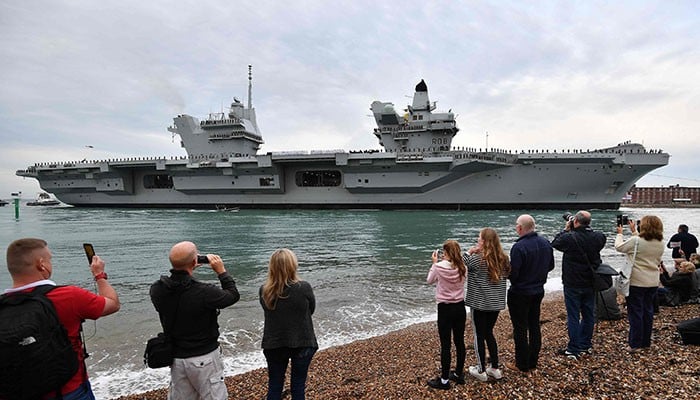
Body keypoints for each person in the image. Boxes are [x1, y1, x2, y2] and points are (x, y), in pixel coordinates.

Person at [3, 238, 120, 399]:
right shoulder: (67, 296)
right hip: (70, 391)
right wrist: (99, 275)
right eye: (50, 259)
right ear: (41, 264)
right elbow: (112, 304)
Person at [150, 241, 240, 400]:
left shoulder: (157, 289)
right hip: (204, 357)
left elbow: (179, 290)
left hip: (177, 358)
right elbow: (232, 295)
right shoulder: (204, 292)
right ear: (194, 261)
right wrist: (221, 272)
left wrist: (187, 270)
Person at [260, 249, 318, 400]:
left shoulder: (264, 290)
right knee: (298, 386)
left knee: (275, 385)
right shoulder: (303, 287)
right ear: (293, 266)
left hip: (274, 344)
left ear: (271, 267)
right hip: (302, 341)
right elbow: (311, 309)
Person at [551, 210, 606, 360]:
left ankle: (573, 349)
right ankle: (585, 344)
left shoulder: (570, 238)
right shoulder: (599, 237)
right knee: (589, 314)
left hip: (573, 282)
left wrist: (566, 229)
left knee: (573, 315)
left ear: (575, 222)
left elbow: (555, 242)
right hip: (590, 281)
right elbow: (596, 241)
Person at [506, 215, 554, 373]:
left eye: (516, 226)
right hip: (538, 289)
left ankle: (521, 364)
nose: (515, 228)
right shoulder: (546, 243)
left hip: (520, 292)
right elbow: (551, 265)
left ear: (520, 228)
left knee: (520, 328)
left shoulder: (519, 247)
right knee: (534, 325)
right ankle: (533, 360)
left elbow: (514, 274)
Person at [464, 228, 511, 382]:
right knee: (489, 332)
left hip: (479, 303)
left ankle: (481, 369)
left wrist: (469, 251)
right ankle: (495, 367)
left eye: (479, 238)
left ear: (483, 241)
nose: (477, 240)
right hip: (495, 303)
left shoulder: (477, 259)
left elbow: (461, 263)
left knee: (479, 335)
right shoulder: (504, 258)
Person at [614, 216, 664, 352]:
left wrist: (619, 233)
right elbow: (642, 246)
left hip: (636, 281)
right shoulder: (660, 243)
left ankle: (635, 343)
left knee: (635, 312)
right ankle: (645, 342)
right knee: (648, 311)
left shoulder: (636, 240)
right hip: (652, 281)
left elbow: (619, 247)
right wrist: (634, 232)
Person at [426, 240, 467, 390]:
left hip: (445, 308)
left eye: (444, 252)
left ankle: (444, 381)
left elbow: (429, 280)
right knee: (459, 341)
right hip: (460, 307)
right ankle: (458, 374)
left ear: (447, 253)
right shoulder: (463, 267)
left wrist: (434, 262)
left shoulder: (438, 267)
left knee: (446, 344)